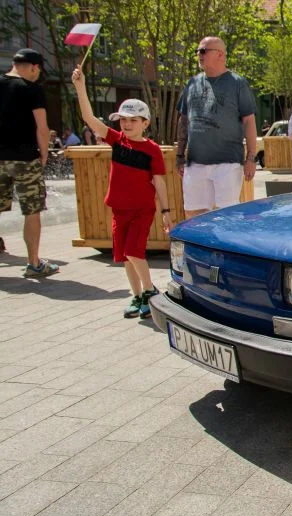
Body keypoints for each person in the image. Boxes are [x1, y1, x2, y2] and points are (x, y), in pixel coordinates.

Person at [72, 66, 170, 318]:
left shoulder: (152, 150)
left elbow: (159, 182)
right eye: (124, 120)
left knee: (133, 252)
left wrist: (166, 211)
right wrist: (80, 86)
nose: (127, 124)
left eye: (133, 120)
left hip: (142, 210)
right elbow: (89, 119)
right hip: (119, 210)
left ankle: (150, 292)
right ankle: (136, 296)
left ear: (145, 123)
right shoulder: (116, 140)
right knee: (124, 257)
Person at [175, 36, 257, 218]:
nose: (199, 55)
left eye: (203, 51)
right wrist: (180, 155)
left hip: (227, 163)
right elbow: (183, 120)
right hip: (195, 163)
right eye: (197, 52)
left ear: (220, 54)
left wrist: (251, 157)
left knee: (226, 216)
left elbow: (249, 121)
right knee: (193, 214)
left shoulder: (237, 83)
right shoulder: (192, 83)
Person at [0, 48, 59, 276]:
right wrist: (44, 153)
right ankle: (34, 264)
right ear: (34, 67)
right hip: (25, 158)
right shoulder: (32, 89)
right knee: (31, 211)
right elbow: (42, 128)